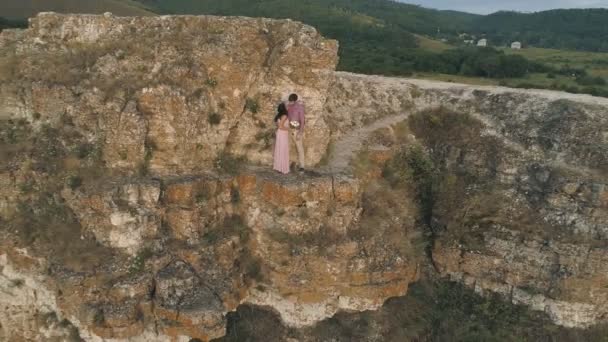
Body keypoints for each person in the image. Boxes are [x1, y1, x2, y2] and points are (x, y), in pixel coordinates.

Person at [286, 93, 305, 171]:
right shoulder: (289, 107)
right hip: (289, 129)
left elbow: (302, 121)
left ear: (294, 101)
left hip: (296, 130)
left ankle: (302, 166)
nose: (290, 103)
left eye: (291, 101)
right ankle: (287, 163)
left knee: (299, 148)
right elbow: (288, 117)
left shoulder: (300, 108)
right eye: (289, 101)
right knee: (287, 147)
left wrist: (300, 133)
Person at [273, 103, 290, 174]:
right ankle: (282, 168)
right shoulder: (284, 116)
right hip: (282, 134)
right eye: (286, 106)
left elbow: (278, 126)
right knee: (283, 150)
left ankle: (278, 167)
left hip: (279, 133)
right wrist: (288, 128)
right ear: (284, 108)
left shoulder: (278, 116)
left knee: (279, 149)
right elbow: (280, 126)